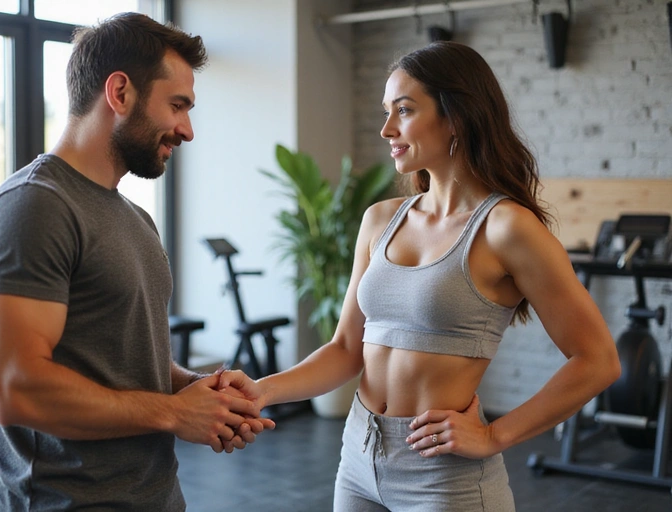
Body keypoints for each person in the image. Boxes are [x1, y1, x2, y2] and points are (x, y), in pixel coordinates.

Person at [221, 41, 620, 511]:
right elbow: (347, 350)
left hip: (443, 477)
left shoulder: (507, 229)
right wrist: (263, 390)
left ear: (456, 117)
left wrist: (495, 434)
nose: (387, 128)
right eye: (387, 111)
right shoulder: (380, 220)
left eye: (404, 110)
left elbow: (597, 360)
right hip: (358, 458)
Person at [0, 13, 272, 511]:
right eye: (178, 105)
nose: (187, 130)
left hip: (154, 496)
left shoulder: (135, 218)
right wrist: (174, 413)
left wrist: (198, 391)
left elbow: (119, 355)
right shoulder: (35, 206)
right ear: (120, 92)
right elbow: (17, 389)